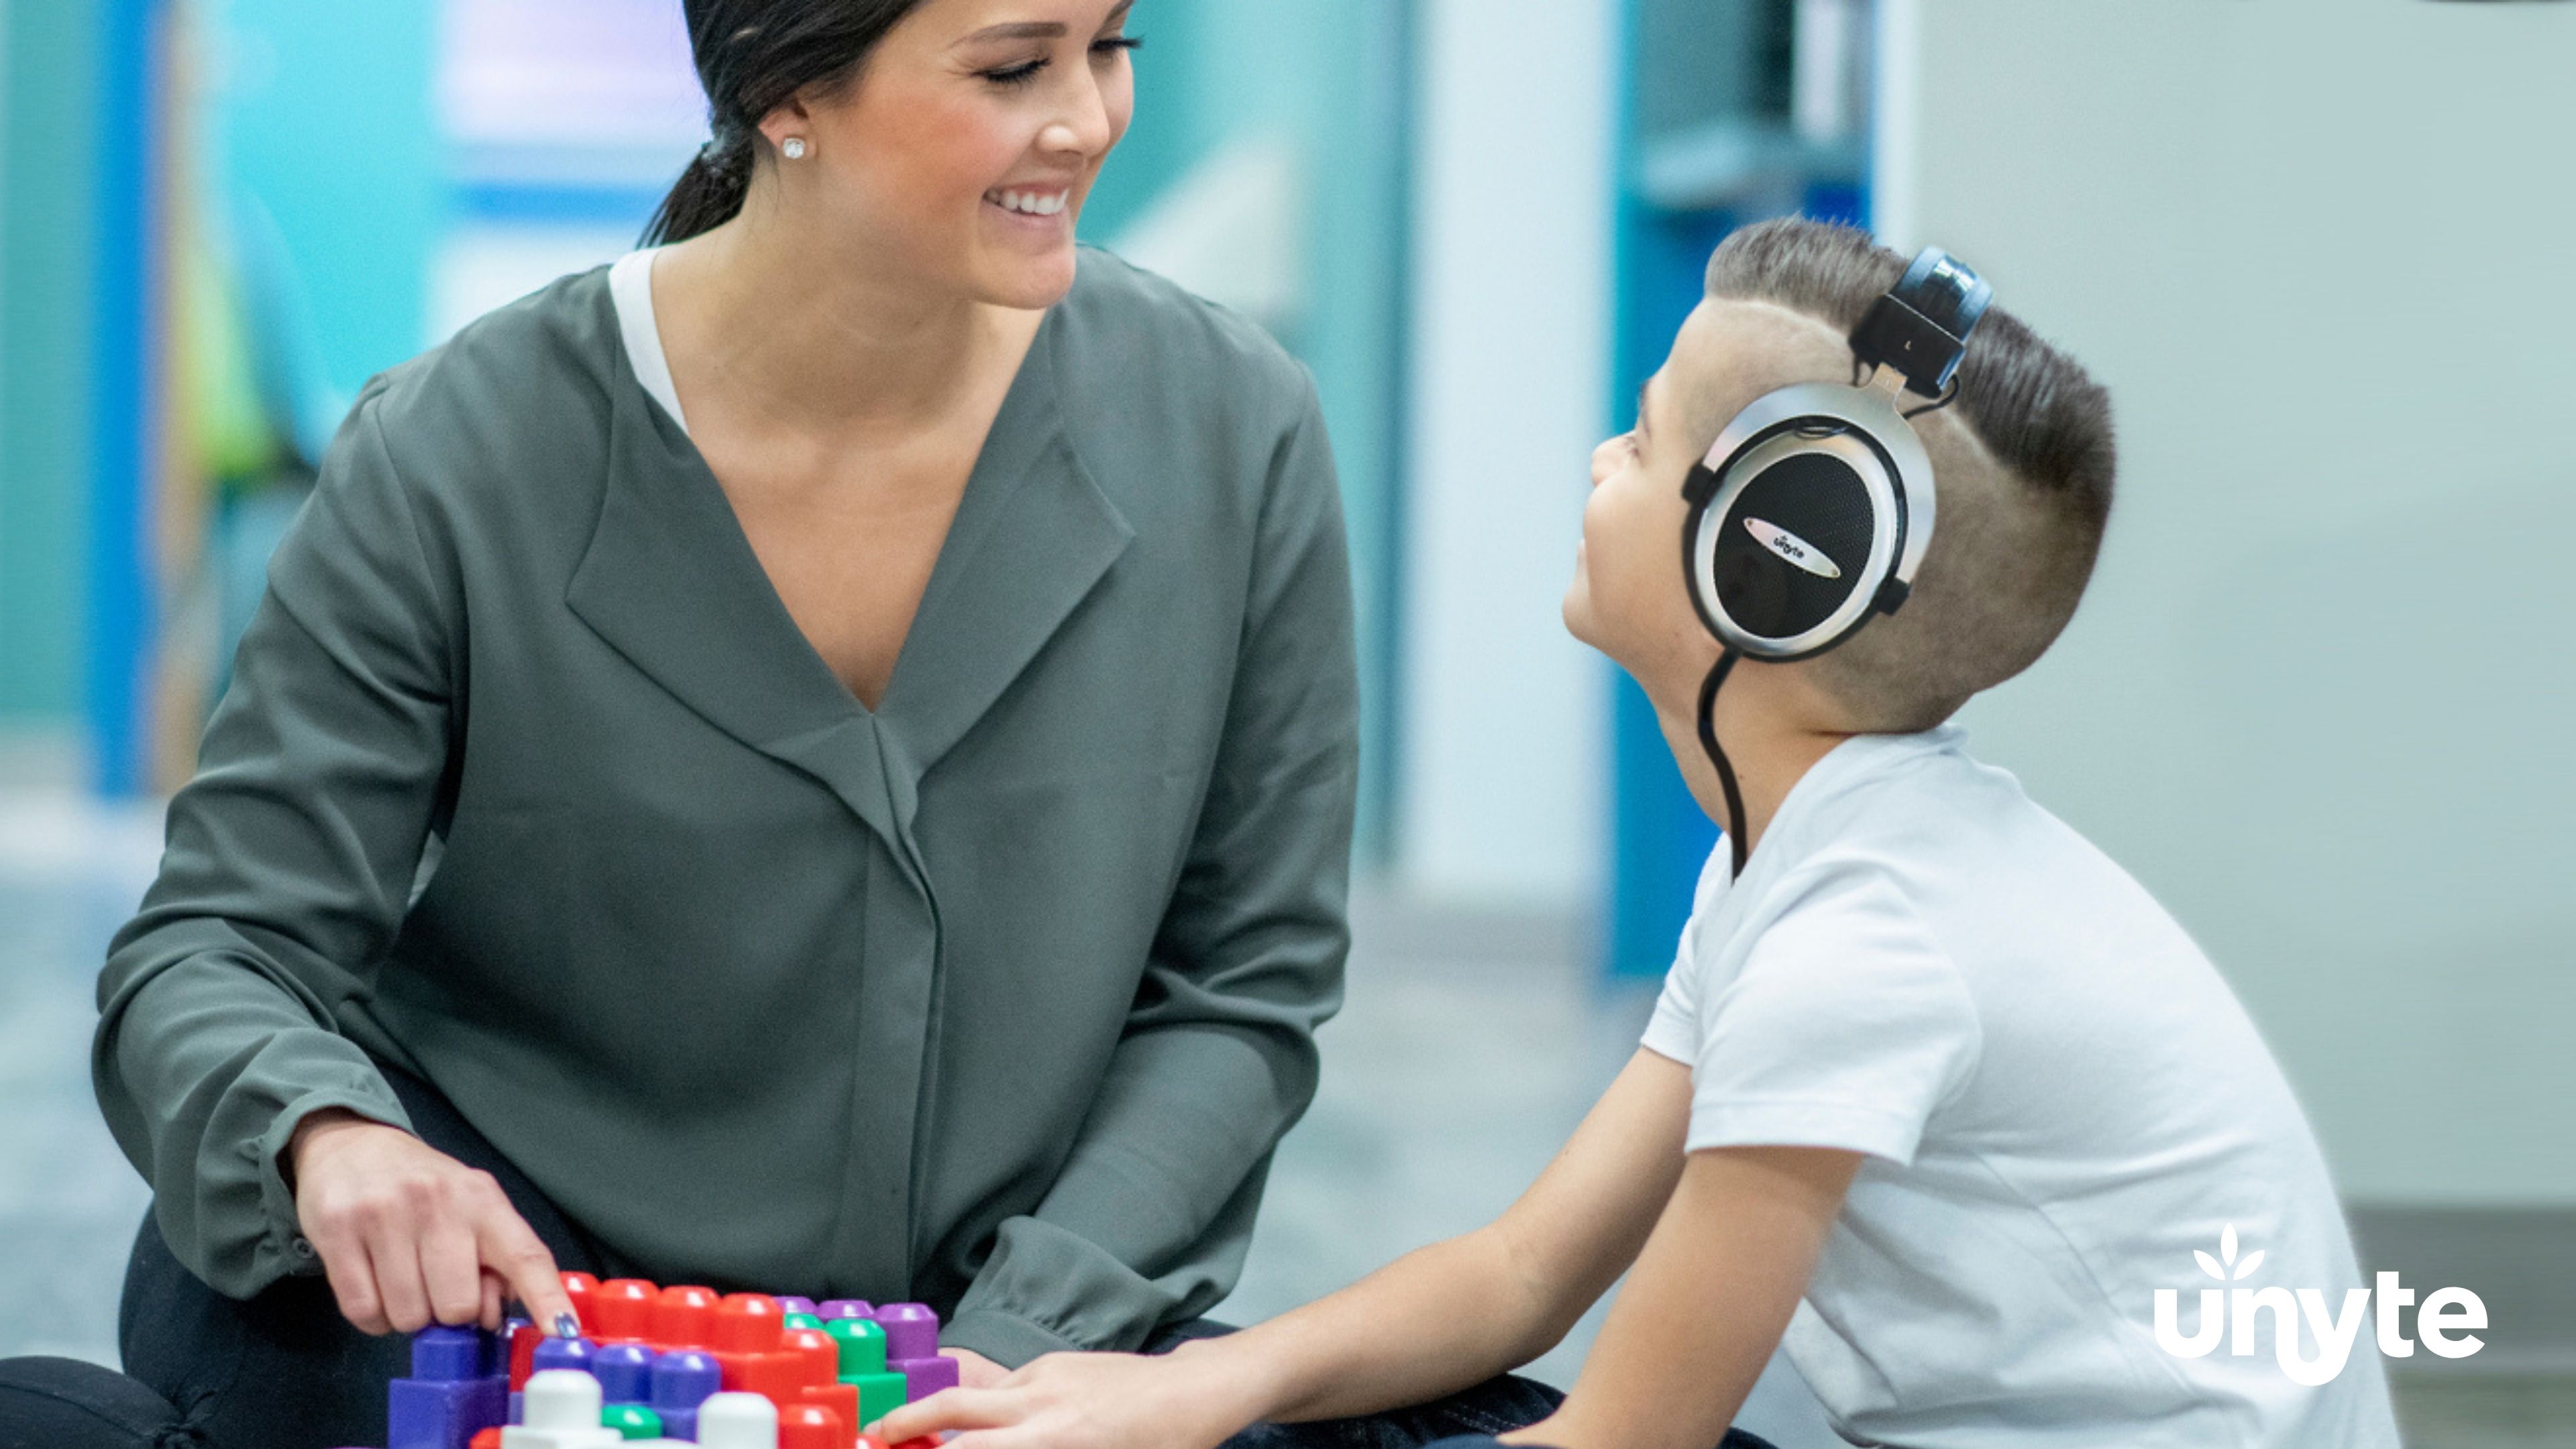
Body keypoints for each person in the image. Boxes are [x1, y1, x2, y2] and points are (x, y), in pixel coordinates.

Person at [874, 219, 2406, 1449]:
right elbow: (1524, 1275)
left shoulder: (1864, 947)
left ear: (1777, 569)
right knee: (1231, 1392)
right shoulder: (1802, 859)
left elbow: (1625, 1436)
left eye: (1647, 441)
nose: (1603, 461)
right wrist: (1199, 1392)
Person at [68, 3, 1364, 1445]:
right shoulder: (459, 446)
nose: (1087, 119)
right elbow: (216, 945)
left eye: (1113, 48)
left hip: (1004, 1315)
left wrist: (1009, 1355)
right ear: (788, 90)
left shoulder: (1234, 430)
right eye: (1014, 67)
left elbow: (1241, 992)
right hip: (511, 1303)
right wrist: (325, 1129)